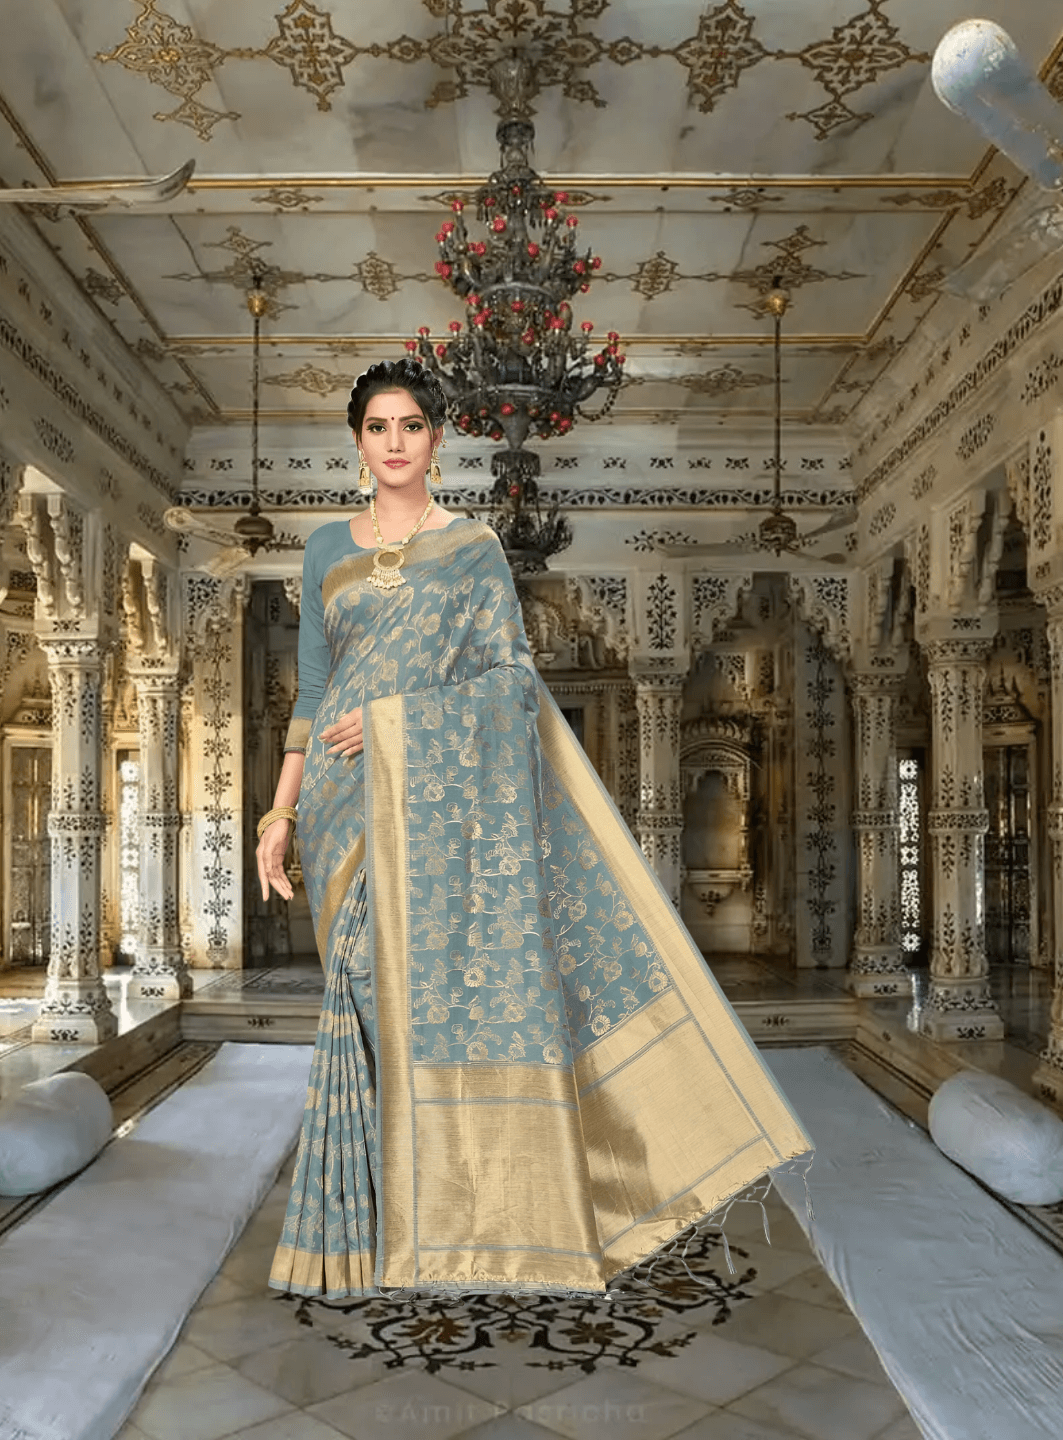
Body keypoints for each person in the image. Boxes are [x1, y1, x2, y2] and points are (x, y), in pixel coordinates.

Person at [256, 358, 812, 1299]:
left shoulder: (472, 548)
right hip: (342, 807)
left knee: (427, 1001)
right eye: (379, 426)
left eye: (412, 425)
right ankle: (376, 1219)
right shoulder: (323, 552)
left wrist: (398, 724)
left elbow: (512, 683)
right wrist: (279, 810)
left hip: (438, 807)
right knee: (361, 997)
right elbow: (313, 694)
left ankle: (461, 1216)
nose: (395, 442)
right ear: (357, 441)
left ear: (437, 438)